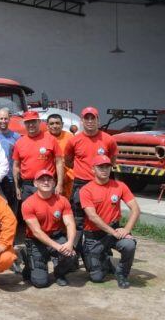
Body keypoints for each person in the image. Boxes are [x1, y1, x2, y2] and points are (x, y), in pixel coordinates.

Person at [64, 106, 118, 260]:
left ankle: (104, 254)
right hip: (81, 185)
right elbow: (68, 161)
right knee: (78, 221)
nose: (89, 121)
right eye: (86, 118)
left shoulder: (108, 139)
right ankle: (74, 255)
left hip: (102, 185)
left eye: (92, 118)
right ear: (81, 121)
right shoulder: (74, 140)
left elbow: (112, 161)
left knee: (102, 219)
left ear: (98, 120)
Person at [80, 155, 141, 288]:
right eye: (100, 167)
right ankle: (102, 259)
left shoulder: (120, 186)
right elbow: (92, 217)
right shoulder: (86, 190)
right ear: (93, 169)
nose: (104, 170)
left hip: (113, 231)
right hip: (94, 236)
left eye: (107, 167)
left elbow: (135, 209)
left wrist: (126, 230)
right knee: (97, 278)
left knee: (129, 245)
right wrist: (113, 232)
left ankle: (121, 274)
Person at [19, 169, 76, 288]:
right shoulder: (28, 203)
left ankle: (59, 274)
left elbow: (70, 224)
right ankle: (29, 262)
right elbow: (36, 232)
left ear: (54, 182)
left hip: (56, 236)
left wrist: (69, 243)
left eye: (49, 179)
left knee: (71, 255)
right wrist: (58, 247)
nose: (46, 182)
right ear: (35, 183)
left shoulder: (62, 200)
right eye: (42, 180)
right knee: (40, 283)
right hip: (36, 240)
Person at [12, 111, 64, 203]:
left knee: (48, 212)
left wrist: (59, 184)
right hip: (27, 186)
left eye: (33, 122)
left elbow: (59, 163)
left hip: (46, 183)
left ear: (39, 122)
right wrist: (16, 187)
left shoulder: (51, 139)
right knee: (28, 214)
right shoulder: (19, 142)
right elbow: (16, 166)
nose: (31, 125)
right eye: (28, 122)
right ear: (24, 124)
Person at [0, 109, 21, 209]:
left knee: (12, 206)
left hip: (11, 177)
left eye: (6, 118)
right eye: (1, 118)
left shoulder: (16, 137)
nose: (3, 121)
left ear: (9, 119)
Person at [47, 113, 75, 199]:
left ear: (62, 124)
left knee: (66, 201)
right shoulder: (43, 137)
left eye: (57, 123)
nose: (55, 126)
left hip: (67, 176)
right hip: (48, 176)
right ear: (47, 125)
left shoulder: (70, 138)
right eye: (52, 124)